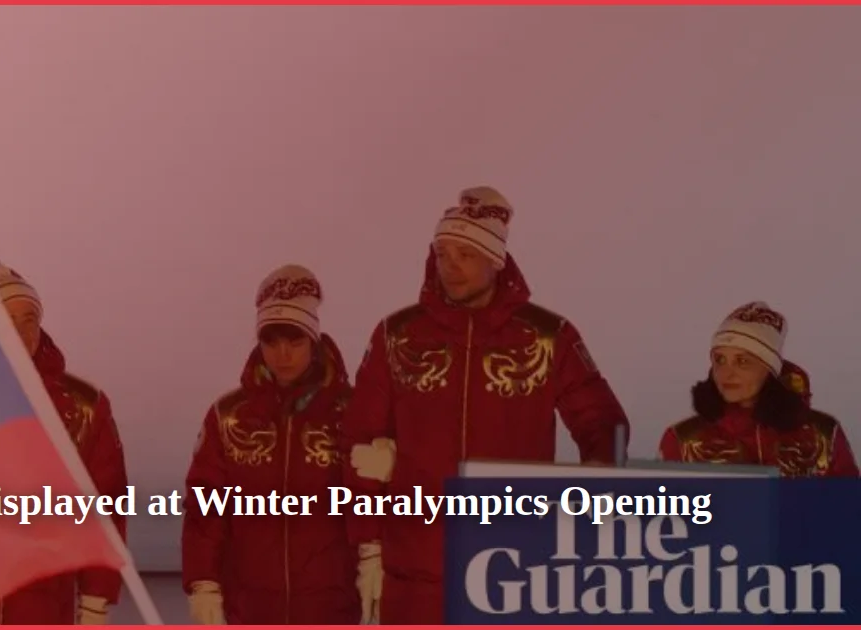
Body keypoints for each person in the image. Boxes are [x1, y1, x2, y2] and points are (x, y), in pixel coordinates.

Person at [341, 186, 631, 624]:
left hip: (512, 573)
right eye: (442, 253)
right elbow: (358, 440)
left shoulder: (549, 337)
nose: (450, 267)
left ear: (496, 260)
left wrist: (594, 484)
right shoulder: (397, 336)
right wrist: (368, 546)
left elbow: (604, 422)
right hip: (415, 577)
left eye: (466, 254)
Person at [182, 265, 361, 625]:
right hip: (249, 608)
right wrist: (203, 583)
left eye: (294, 341)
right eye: (270, 341)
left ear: (313, 340)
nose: (283, 354)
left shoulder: (352, 412)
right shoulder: (228, 417)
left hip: (332, 608)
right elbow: (205, 507)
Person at [0, 258, 129, 625]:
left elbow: (107, 502)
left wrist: (96, 596)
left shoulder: (83, 407)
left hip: (43, 605)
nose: (23, 334)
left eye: (30, 321)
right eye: (8, 320)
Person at [657, 301, 858, 477]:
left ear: (770, 369)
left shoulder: (822, 434)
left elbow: (848, 510)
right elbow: (667, 514)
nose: (726, 373)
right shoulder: (683, 440)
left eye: (742, 361)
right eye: (719, 360)